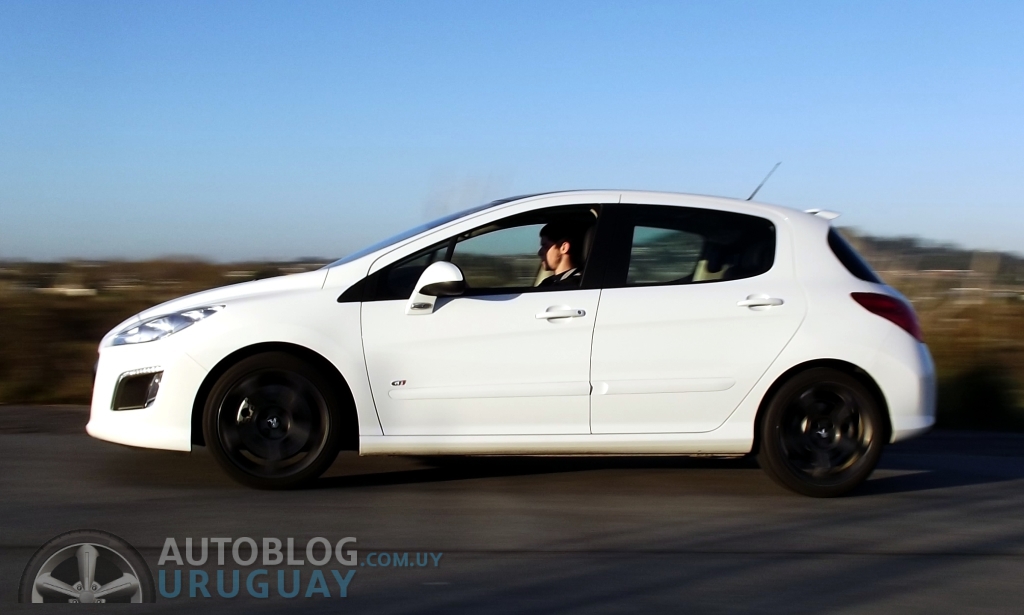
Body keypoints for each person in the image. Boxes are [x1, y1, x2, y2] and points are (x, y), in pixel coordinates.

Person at [536, 221, 586, 287]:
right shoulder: (548, 282)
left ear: (564, 248)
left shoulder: (571, 285)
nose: (540, 252)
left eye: (545, 246)